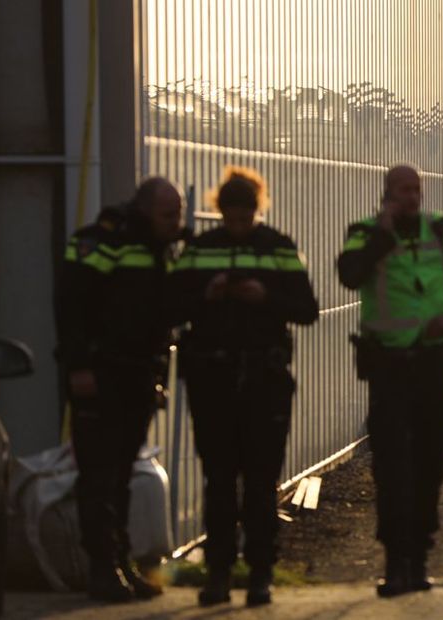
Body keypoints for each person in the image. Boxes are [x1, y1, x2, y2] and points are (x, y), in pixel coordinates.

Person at [337, 164, 443, 597]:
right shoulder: (364, 232)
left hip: (432, 364)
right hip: (387, 366)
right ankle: (395, 561)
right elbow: (348, 276)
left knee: (430, 458)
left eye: (416, 189)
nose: (412, 196)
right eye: (404, 190)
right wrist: (383, 234)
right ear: (387, 194)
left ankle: (419, 556)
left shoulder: (442, 230)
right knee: (389, 463)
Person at [168, 167, 319, 607]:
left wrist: (266, 298)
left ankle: (259, 575)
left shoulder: (278, 246)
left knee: (260, 480)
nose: (238, 226)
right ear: (221, 212)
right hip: (212, 378)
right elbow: (169, 304)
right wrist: (206, 297)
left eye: (245, 217)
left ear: (257, 209)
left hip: (264, 378)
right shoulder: (200, 250)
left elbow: (308, 309)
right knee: (218, 479)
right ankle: (218, 574)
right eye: (231, 218)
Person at [56, 177, 184, 602]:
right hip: (100, 376)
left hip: (137, 377)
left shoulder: (157, 249)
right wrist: (78, 366)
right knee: (98, 475)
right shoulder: (99, 243)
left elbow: (157, 318)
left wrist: (158, 377)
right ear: (145, 209)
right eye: (169, 214)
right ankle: (100, 567)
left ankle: (121, 561)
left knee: (123, 475)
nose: (176, 223)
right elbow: (70, 305)